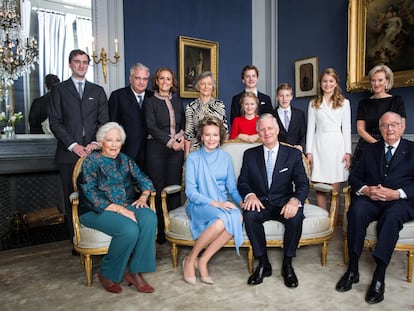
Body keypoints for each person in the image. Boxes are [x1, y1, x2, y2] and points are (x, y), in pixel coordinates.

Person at [336, 111, 414, 304]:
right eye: (385, 125)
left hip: (401, 201)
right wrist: (366, 190)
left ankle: (379, 275)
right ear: (380, 128)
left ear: (402, 126)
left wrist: (398, 193)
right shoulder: (371, 149)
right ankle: (352, 269)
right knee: (356, 210)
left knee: (391, 217)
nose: (389, 129)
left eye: (394, 124)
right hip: (372, 198)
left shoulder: (412, 149)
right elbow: (354, 177)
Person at [79, 122, 157, 294]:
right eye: (109, 140)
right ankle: (107, 274)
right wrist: (121, 210)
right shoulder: (91, 161)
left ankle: (135, 272)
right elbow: (89, 193)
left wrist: (144, 196)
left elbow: (144, 179)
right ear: (100, 142)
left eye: (118, 140)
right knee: (129, 229)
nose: (114, 144)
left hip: (126, 204)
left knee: (149, 217)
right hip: (95, 210)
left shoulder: (126, 160)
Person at [238, 113, 309, 288]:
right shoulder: (250, 154)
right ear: (258, 133)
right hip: (260, 202)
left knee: (296, 216)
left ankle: (287, 264)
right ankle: (263, 263)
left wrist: (295, 201)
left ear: (277, 130)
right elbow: (243, 182)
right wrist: (250, 195)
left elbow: (303, 184)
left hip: (284, 202)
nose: (266, 132)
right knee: (250, 216)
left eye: (270, 128)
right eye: (262, 129)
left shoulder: (292, 154)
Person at [48, 49, 108, 248]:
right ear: (70, 64)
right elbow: (55, 122)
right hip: (68, 154)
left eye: (85, 62)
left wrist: (93, 144)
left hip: (93, 154)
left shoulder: (97, 91)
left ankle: (96, 236)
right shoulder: (59, 90)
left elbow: (104, 121)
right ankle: (76, 241)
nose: (81, 65)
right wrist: (74, 146)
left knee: (94, 196)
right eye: (77, 62)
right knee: (71, 198)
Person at [182, 116, 243, 285]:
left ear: (220, 136)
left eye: (215, 135)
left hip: (221, 202)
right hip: (199, 204)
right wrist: (217, 204)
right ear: (201, 136)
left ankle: (203, 260)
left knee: (237, 217)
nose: (211, 139)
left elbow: (232, 189)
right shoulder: (193, 158)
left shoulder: (225, 157)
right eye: (207, 135)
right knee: (222, 221)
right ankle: (190, 259)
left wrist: (242, 202)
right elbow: (191, 192)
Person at [144, 66, 185, 244]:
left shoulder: (177, 102)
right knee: (159, 188)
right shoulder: (150, 102)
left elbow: (183, 122)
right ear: (156, 80)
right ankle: (161, 229)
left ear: (172, 82)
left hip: (177, 149)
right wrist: (171, 142)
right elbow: (151, 126)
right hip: (156, 148)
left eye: (168, 79)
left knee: (174, 188)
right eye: (162, 78)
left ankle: (173, 227)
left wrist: (181, 139)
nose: (165, 82)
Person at [306, 68, 351, 222]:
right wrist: (309, 152)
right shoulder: (313, 103)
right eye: (324, 81)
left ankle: (332, 221)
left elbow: (346, 129)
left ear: (336, 83)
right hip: (319, 145)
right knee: (320, 186)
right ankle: (322, 219)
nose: (327, 84)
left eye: (331, 81)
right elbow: (310, 128)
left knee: (335, 189)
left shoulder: (344, 103)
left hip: (337, 146)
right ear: (320, 83)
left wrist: (348, 152)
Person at [352, 64, 406, 169]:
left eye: (380, 80)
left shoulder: (397, 101)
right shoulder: (364, 103)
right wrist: (377, 145)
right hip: (368, 145)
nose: (376, 84)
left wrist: (387, 145)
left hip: (391, 144)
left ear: (387, 81)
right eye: (373, 80)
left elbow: (401, 127)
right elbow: (360, 129)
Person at [108, 63, 153, 173]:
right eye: (138, 78)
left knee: (148, 185)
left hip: (150, 151)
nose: (141, 82)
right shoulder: (117, 96)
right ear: (130, 78)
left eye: (145, 79)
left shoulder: (153, 96)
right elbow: (112, 125)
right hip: (126, 150)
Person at [184, 71, 228, 155]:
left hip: (217, 149)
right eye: (203, 84)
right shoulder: (191, 106)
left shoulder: (219, 104)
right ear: (198, 86)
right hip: (197, 151)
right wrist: (186, 157)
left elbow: (224, 131)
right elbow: (188, 134)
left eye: (209, 84)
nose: (206, 87)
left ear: (212, 86)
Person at [271, 83, 306, 151]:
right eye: (281, 96)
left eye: (287, 95)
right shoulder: (271, 115)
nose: (284, 99)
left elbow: (303, 134)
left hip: (295, 151)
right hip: (277, 152)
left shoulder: (299, 114)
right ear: (277, 97)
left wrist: (301, 146)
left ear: (291, 97)